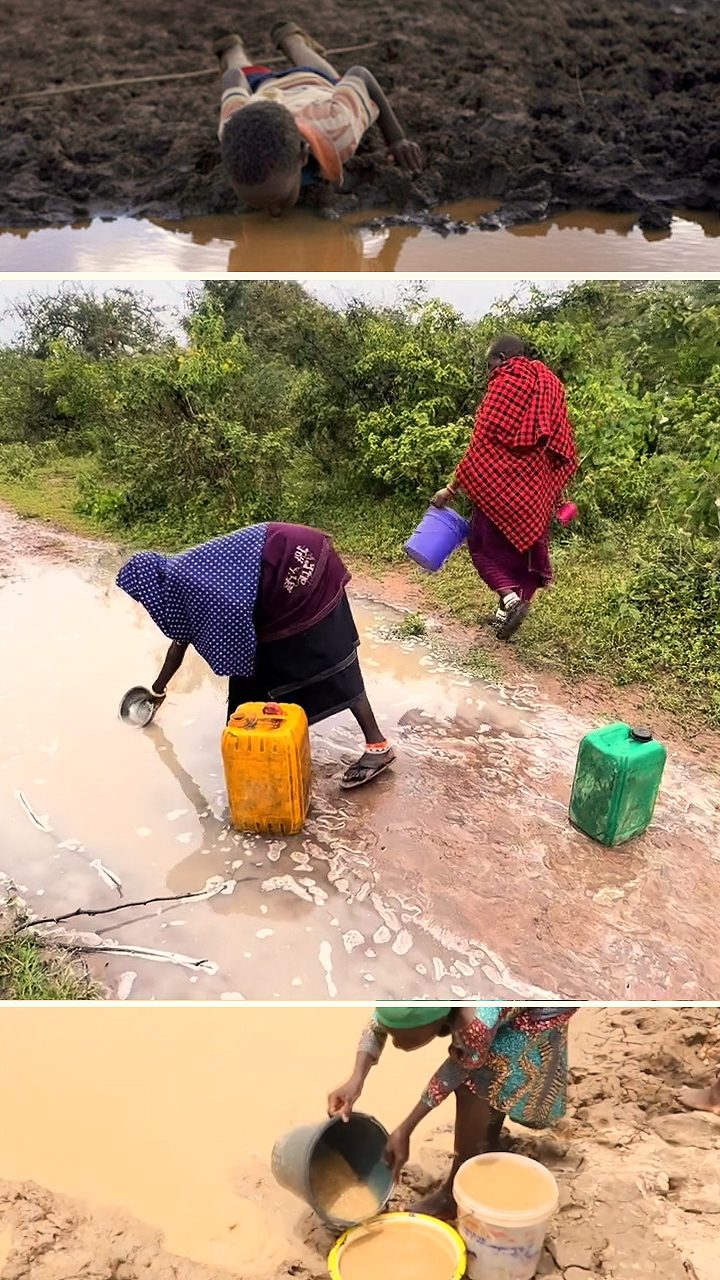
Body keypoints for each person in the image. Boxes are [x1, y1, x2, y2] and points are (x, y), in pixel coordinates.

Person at [116, 522, 394, 789]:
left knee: (325, 660)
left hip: (293, 571)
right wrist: (158, 691)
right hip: (288, 555)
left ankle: (377, 746)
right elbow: (181, 641)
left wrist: (237, 656)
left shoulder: (189, 583)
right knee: (257, 669)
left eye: (143, 596)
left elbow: (235, 617)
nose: (146, 603)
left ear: (152, 586)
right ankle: (271, 748)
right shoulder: (178, 578)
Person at [328, 1003, 577, 1221]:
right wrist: (356, 1080)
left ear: (436, 1022)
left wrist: (405, 1129)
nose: (396, 1044)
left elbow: (453, 1075)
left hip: (543, 1004)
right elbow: (378, 1024)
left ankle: (451, 1196)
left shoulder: (474, 1023)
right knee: (485, 1065)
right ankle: (486, 1141)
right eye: (394, 1037)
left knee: (475, 1082)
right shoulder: (416, 995)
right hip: (502, 1005)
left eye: (405, 1038)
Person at [432, 335, 578, 640]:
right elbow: (560, 442)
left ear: (501, 357)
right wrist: (557, 493)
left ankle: (511, 602)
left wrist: (451, 488)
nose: (490, 372)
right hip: (537, 492)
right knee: (519, 555)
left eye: (490, 364)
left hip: (500, 490)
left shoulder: (505, 383)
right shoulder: (549, 384)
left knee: (480, 547)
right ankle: (503, 617)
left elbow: (481, 445)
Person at [214, 20, 422, 215]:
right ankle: (231, 49)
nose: (274, 213)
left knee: (331, 80)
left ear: (303, 156)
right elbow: (232, 77)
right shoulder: (231, 129)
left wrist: (396, 139)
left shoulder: (338, 127)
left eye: (279, 200)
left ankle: (291, 40)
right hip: (265, 91)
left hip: (311, 84)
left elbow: (360, 75)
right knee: (240, 69)